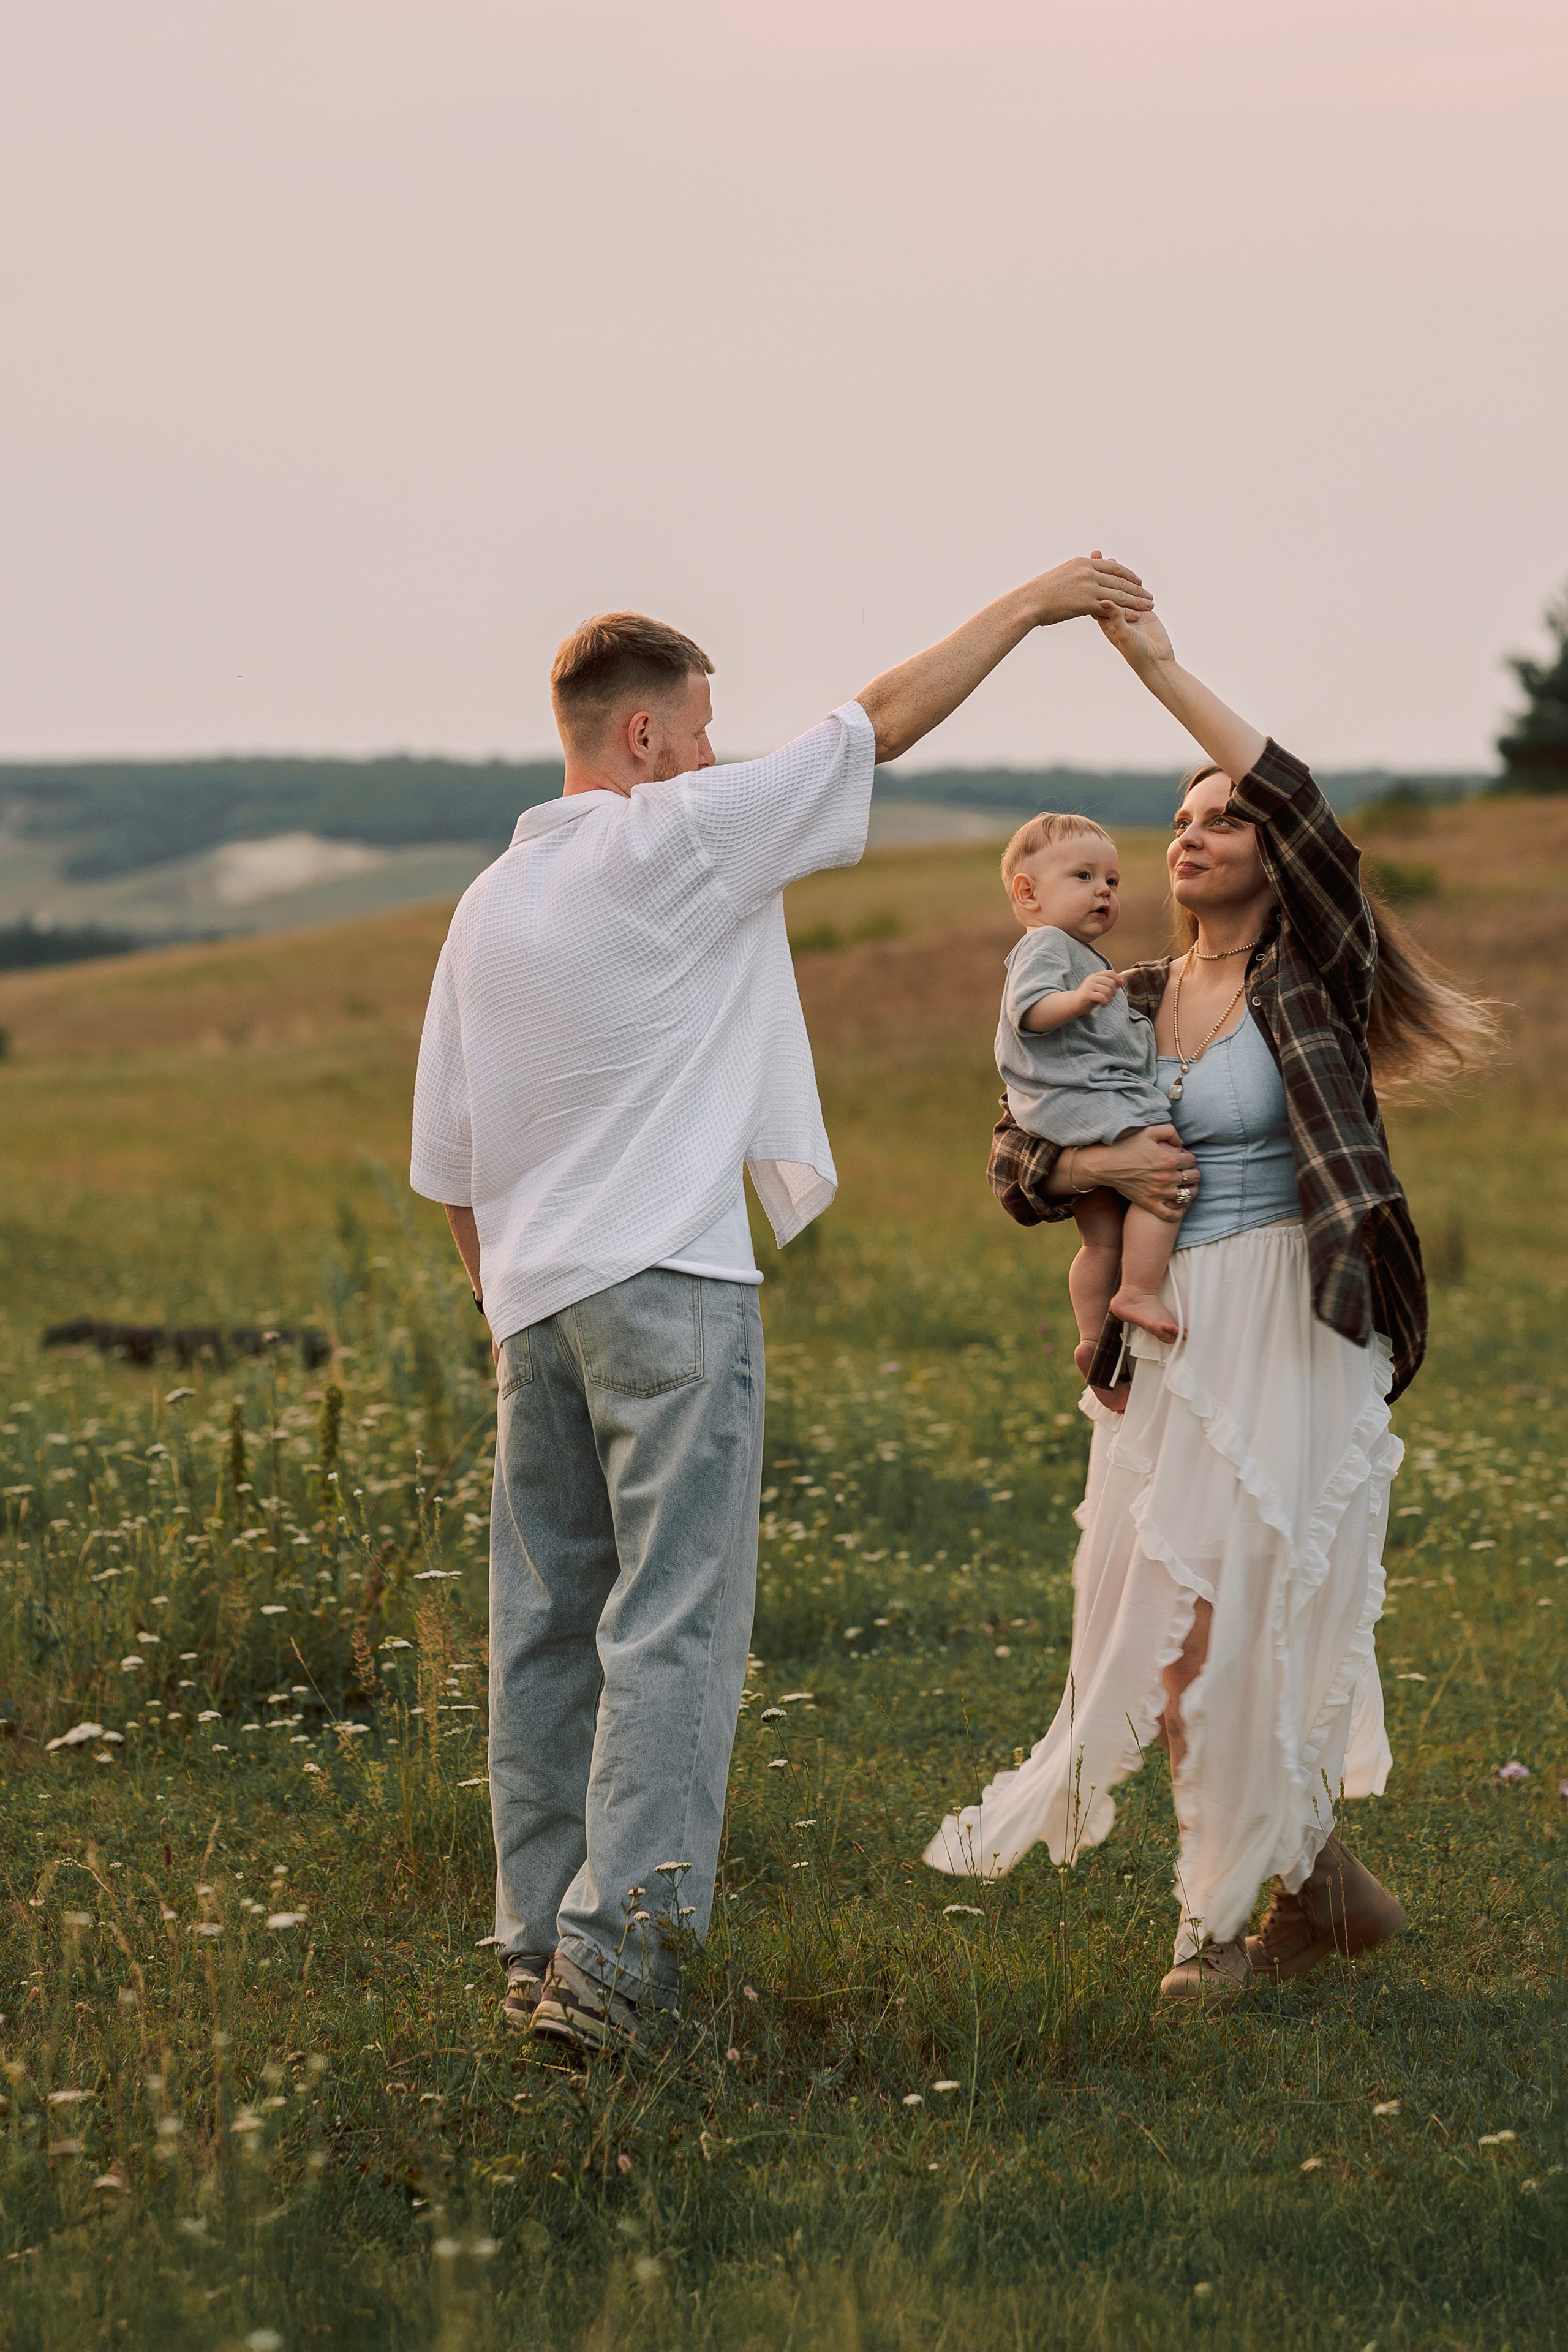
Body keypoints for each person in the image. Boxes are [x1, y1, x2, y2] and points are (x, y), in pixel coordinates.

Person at [409, 555, 1155, 2051]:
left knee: (548, 1629)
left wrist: (513, 1298)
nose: (711, 751)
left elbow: (449, 1167)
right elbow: (876, 721)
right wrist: (1031, 604)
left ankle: (533, 1948)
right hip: (670, 1285)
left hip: (537, 1308)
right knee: (672, 1628)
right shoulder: (676, 833)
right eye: (698, 725)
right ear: (641, 738)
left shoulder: (492, 900)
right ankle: (617, 1978)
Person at [925, 593, 1494, 2003]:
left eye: (1220, 820)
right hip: (1162, 1333)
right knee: (1168, 1634)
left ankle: (1217, 1924)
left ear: (1268, 858)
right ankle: (1317, 1884)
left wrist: (1154, 666)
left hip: (1290, 1320)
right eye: (1178, 821)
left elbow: (1302, 800)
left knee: (1249, 1625)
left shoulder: (1316, 973)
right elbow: (1013, 1153)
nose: (1192, 836)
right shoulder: (1115, 995)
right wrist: (1089, 1156)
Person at [995, 810, 1190, 1373]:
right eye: (1083, 876)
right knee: (1163, 1160)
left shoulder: (1077, 953)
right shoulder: (1048, 945)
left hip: (1072, 1101)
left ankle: (1091, 1337)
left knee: (1100, 1237)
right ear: (1028, 894)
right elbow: (1029, 1011)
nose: (1103, 890)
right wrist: (1080, 1000)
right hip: (1080, 1096)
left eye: (1112, 881)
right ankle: (1139, 1290)